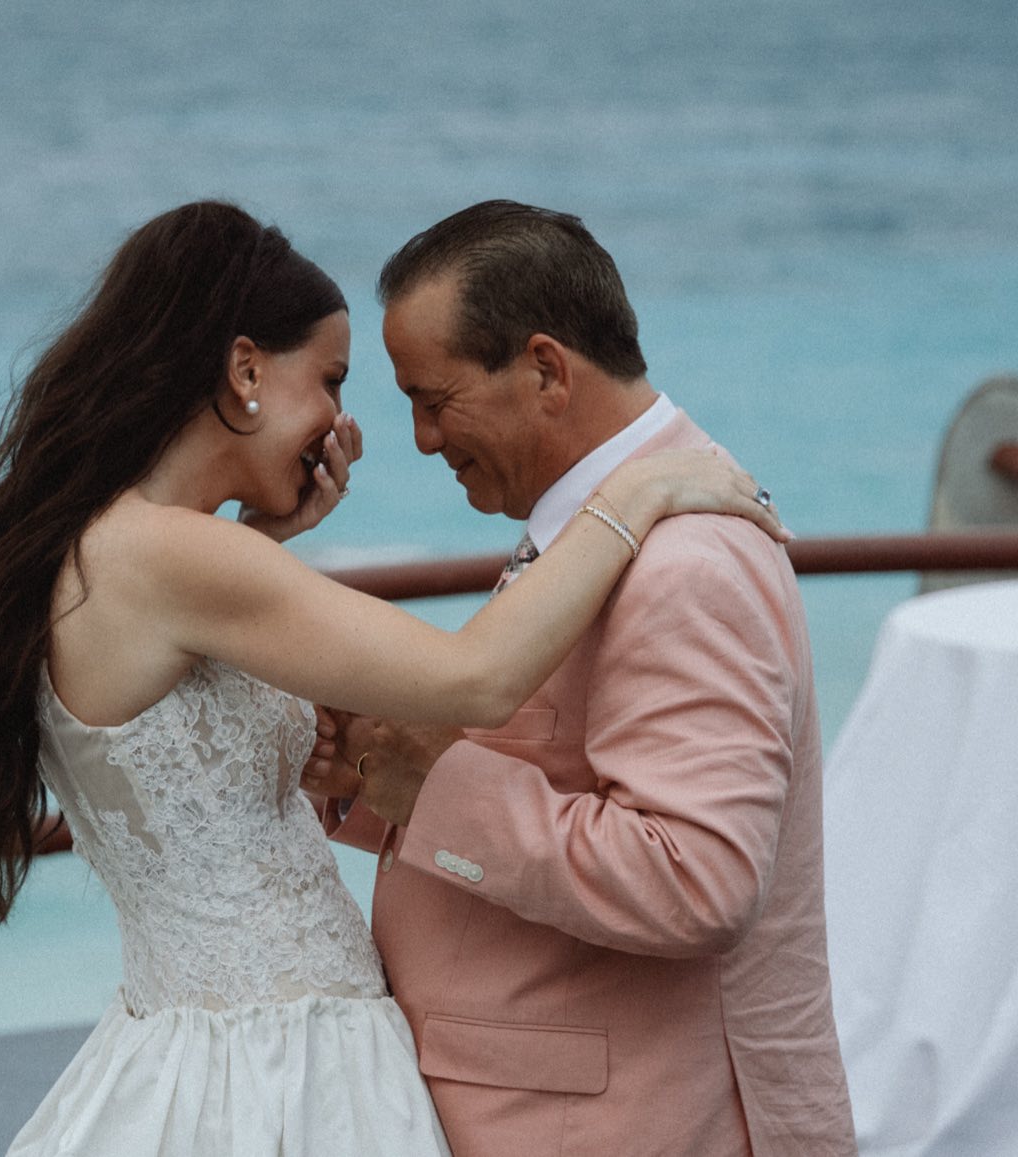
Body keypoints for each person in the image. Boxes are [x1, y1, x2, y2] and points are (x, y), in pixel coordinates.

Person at [0, 200, 784, 1157]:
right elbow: (477, 677)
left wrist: (262, 543)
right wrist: (637, 493)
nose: (346, 421)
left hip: (212, 1051)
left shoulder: (132, 552)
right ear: (244, 370)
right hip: (282, 1069)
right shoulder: (177, 559)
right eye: (329, 379)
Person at [303, 200, 856, 1157]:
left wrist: (435, 789)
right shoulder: (600, 522)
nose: (424, 440)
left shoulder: (687, 566)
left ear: (547, 369)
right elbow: (558, 759)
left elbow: (700, 879)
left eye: (434, 400)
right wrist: (370, 774)